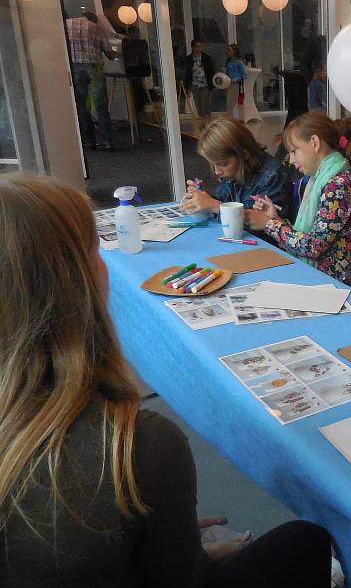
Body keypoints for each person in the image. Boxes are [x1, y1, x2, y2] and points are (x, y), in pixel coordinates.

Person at [0, 173, 333, 587]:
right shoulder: (137, 445)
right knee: (307, 541)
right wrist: (197, 555)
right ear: (78, 284)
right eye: (95, 248)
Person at [245, 110, 351, 287]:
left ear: (315, 143)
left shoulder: (339, 185)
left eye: (294, 151)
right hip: (320, 279)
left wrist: (268, 224)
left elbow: (312, 246)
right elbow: (312, 237)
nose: (291, 160)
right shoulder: (320, 180)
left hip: (334, 287)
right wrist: (276, 219)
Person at [180, 117, 292, 215]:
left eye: (222, 164)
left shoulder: (273, 176)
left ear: (244, 155)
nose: (217, 171)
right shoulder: (234, 171)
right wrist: (202, 198)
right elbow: (223, 201)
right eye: (213, 164)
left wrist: (214, 205)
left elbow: (264, 224)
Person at [66, 11, 116, 152]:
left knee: (82, 106)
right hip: (94, 68)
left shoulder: (66, 25)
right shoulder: (96, 27)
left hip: (75, 68)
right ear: (93, 19)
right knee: (100, 105)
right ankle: (108, 142)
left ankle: (89, 142)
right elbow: (110, 54)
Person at [184, 39, 215, 129]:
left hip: (205, 84)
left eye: (200, 46)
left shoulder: (206, 57)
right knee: (198, 104)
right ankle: (203, 122)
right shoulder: (189, 58)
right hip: (194, 85)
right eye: (197, 46)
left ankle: (207, 123)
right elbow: (187, 73)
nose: (199, 48)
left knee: (206, 103)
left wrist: (212, 85)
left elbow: (211, 71)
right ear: (193, 47)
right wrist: (188, 88)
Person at [225, 44, 247, 118]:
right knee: (229, 104)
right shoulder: (228, 61)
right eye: (227, 50)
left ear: (234, 51)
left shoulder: (239, 62)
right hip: (229, 85)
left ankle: (242, 120)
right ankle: (230, 121)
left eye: (229, 50)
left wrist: (236, 78)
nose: (227, 51)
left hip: (237, 85)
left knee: (240, 104)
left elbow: (244, 75)